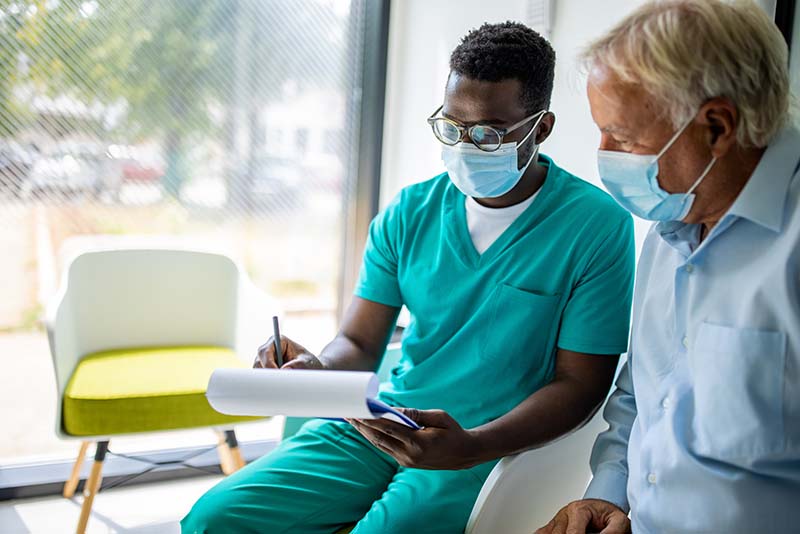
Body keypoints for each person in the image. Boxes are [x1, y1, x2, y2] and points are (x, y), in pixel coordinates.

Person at [183, 21, 635, 534]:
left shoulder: (595, 225)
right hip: (385, 420)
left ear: (541, 128)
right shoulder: (411, 211)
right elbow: (357, 341)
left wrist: (475, 446)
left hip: (484, 439)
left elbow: (581, 385)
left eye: (488, 132)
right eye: (451, 127)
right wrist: (317, 367)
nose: (465, 146)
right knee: (215, 518)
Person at [537, 1, 799, 533]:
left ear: (717, 128)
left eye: (626, 139)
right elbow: (641, 393)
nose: (605, 154)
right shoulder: (675, 219)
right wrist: (611, 495)